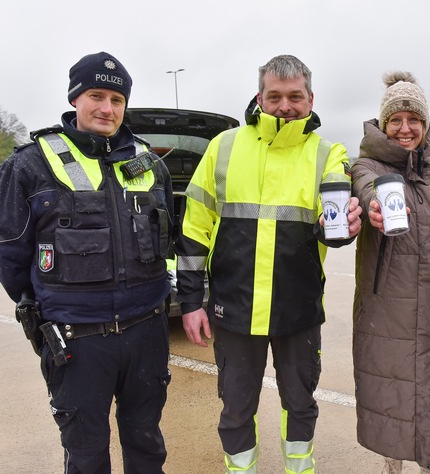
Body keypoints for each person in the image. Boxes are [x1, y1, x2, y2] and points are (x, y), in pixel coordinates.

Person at [0, 51, 174, 473]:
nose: (107, 108)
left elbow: (168, 236)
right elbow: (6, 250)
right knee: (86, 454)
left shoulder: (148, 162)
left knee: (147, 445)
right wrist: (46, 301)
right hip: (77, 341)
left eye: (117, 100)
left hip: (147, 333)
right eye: (96, 95)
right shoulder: (29, 164)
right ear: (75, 99)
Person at [175, 54, 362, 473]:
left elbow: (335, 225)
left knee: (300, 403)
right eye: (274, 96)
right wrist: (190, 302)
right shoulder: (223, 147)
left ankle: (301, 469)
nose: (285, 106)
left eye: (295, 96)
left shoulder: (328, 154)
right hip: (234, 309)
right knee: (236, 407)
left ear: (311, 99)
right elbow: (193, 229)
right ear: (260, 97)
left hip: (298, 311)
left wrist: (345, 227)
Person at [350, 71, 430, 473]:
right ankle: (393, 466)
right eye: (396, 120)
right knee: (393, 398)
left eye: (414, 120)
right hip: (390, 312)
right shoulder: (365, 165)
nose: (405, 129)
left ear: (425, 124)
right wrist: (374, 206)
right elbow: (367, 187)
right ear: (383, 123)